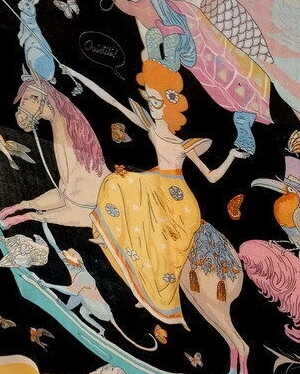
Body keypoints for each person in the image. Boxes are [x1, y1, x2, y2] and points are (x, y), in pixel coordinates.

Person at [63, 59, 249, 324]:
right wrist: (76, 73)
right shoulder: (152, 127)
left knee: (164, 247)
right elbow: (113, 102)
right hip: (155, 182)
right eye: (149, 99)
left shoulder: (182, 143)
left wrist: (230, 156)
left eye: (157, 101)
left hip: (178, 197)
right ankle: (111, 237)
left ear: (170, 103)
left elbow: (211, 176)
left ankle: (157, 292)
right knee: (118, 182)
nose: (152, 105)